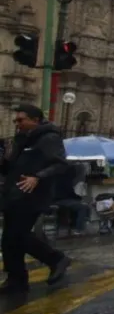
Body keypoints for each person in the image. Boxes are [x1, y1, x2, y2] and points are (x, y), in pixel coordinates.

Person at [0, 104, 72, 294]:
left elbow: (60, 164)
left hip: (33, 195)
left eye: (21, 120)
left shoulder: (49, 137)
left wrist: (37, 177)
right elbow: (12, 166)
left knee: (18, 235)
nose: (17, 123)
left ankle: (56, 259)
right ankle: (16, 280)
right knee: (8, 240)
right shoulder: (21, 138)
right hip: (13, 194)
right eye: (15, 120)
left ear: (35, 120)